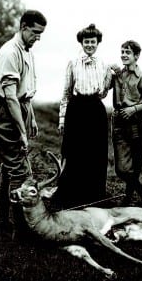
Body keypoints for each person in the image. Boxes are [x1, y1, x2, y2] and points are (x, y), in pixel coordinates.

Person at [0, 10, 47, 235]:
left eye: (41, 34)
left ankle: (2, 222)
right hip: (7, 114)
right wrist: (21, 131)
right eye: (35, 32)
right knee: (21, 173)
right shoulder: (10, 52)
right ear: (23, 27)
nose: (38, 38)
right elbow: (11, 96)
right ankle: (22, 231)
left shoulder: (27, 50)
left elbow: (25, 94)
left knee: (9, 169)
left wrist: (30, 116)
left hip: (19, 108)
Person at [55, 24, 112, 209]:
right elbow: (66, 92)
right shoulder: (73, 62)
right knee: (74, 153)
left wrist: (112, 76)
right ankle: (71, 197)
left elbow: (103, 93)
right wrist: (62, 119)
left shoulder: (103, 64)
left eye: (93, 42)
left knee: (95, 154)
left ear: (98, 43)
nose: (89, 45)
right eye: (86, 42)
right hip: (76, 109)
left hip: (95, 110)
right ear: (81, 42)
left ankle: (93, 197)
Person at [111, 40, 142, 206]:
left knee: (136, 166)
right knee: (121, 169)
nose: (123, 55)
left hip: (136, 123)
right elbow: (105, 87)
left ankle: (128, 198)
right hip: (119, 122)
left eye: (127, 52)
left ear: (136, 56)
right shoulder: (117, 74)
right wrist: (110, 72)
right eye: (122, 51)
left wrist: (134, 109)